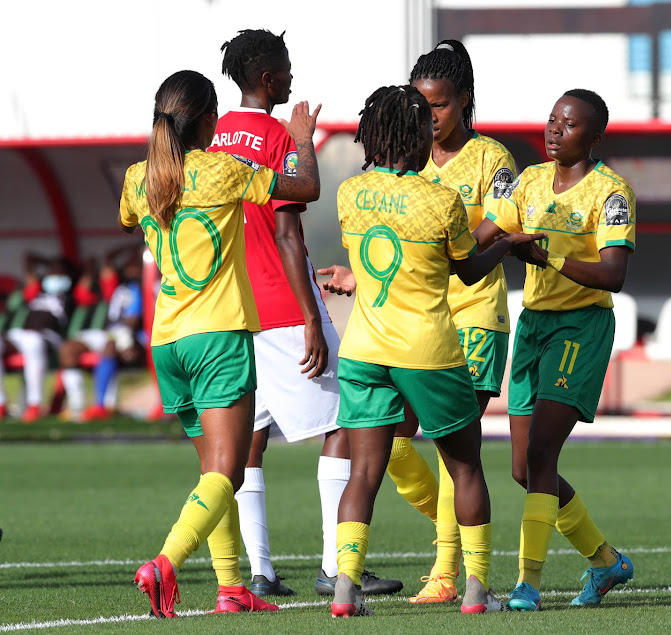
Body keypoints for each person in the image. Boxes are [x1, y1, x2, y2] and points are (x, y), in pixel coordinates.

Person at [326, 84, 544, 617]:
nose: (432, 135)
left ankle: (343, 593)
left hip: (364, 349)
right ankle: (475, 592)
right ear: (412, 135)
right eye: (425, 127)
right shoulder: (442, 200)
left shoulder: (349, 192)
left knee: (363, 475)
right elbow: (467, 270)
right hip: (428, 350)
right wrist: (510, 245)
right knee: (466, 468)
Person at [208, 28, 401, 599]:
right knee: (347, 422)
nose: (292, 77)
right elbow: (290, 227)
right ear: (267, 78)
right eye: (286, 68)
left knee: (249, 439)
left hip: (231, 308)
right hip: (282, 304)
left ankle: (260, 571)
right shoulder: (276, 136)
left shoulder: (213, 135)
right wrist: (314, 319)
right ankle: (333, 563)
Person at [120, 69, 321, 618]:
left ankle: (232, 587)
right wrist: (301, 139)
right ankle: (165, 562)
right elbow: (304, 189)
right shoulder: (225, 170)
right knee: (227, 471)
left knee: (213, 468)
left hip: (168, 343)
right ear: (210, 121)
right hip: (217, 336)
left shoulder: (138, 178)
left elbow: (126, 221)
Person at [473, 88, 636, 611]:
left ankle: (528, 585)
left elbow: (614, 274)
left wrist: (548, 259)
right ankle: (606, 561)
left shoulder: (611, 193)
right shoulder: (529, 180)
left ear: (593, 136)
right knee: (523, 468)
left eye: (568, 124)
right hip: (534, 326)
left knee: (543, 452)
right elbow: (484, 235)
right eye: (551, 120)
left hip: (581, 329)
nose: (554, 130)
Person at [381, 39, 518, 605]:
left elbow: (503, 224)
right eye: (420, 105)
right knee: (388, 437)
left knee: (449, 441)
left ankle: (445, 573)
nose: (428, 116)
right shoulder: (407, 159)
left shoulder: (493, 159)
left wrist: (446, 247)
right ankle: (455, 523)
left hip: (476, 314)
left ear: (463, 100)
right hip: (419, 321)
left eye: (437, 104)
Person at [58, 246, 145, 421]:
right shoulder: (119, 286)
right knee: (68, 348)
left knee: (111, 345)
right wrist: (136, 246)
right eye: (129, 265)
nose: (131, 269)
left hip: (135, 334)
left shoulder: (149, 284)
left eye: (135, 265)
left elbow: (135, 320)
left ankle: (102, 406)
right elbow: (108, 259)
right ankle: (77, 407)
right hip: (109, 331)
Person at [0, 253, 79, 423]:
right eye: (52, 272)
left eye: (60, 273)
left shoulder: (72, 294)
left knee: (33, 341)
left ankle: (34, 405)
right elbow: (29, 259)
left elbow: (90, 268)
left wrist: (68, 267)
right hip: (24, 334)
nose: (54, 276)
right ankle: (1, 405)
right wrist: (52, 262)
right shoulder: (38, 292)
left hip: (49, 337)